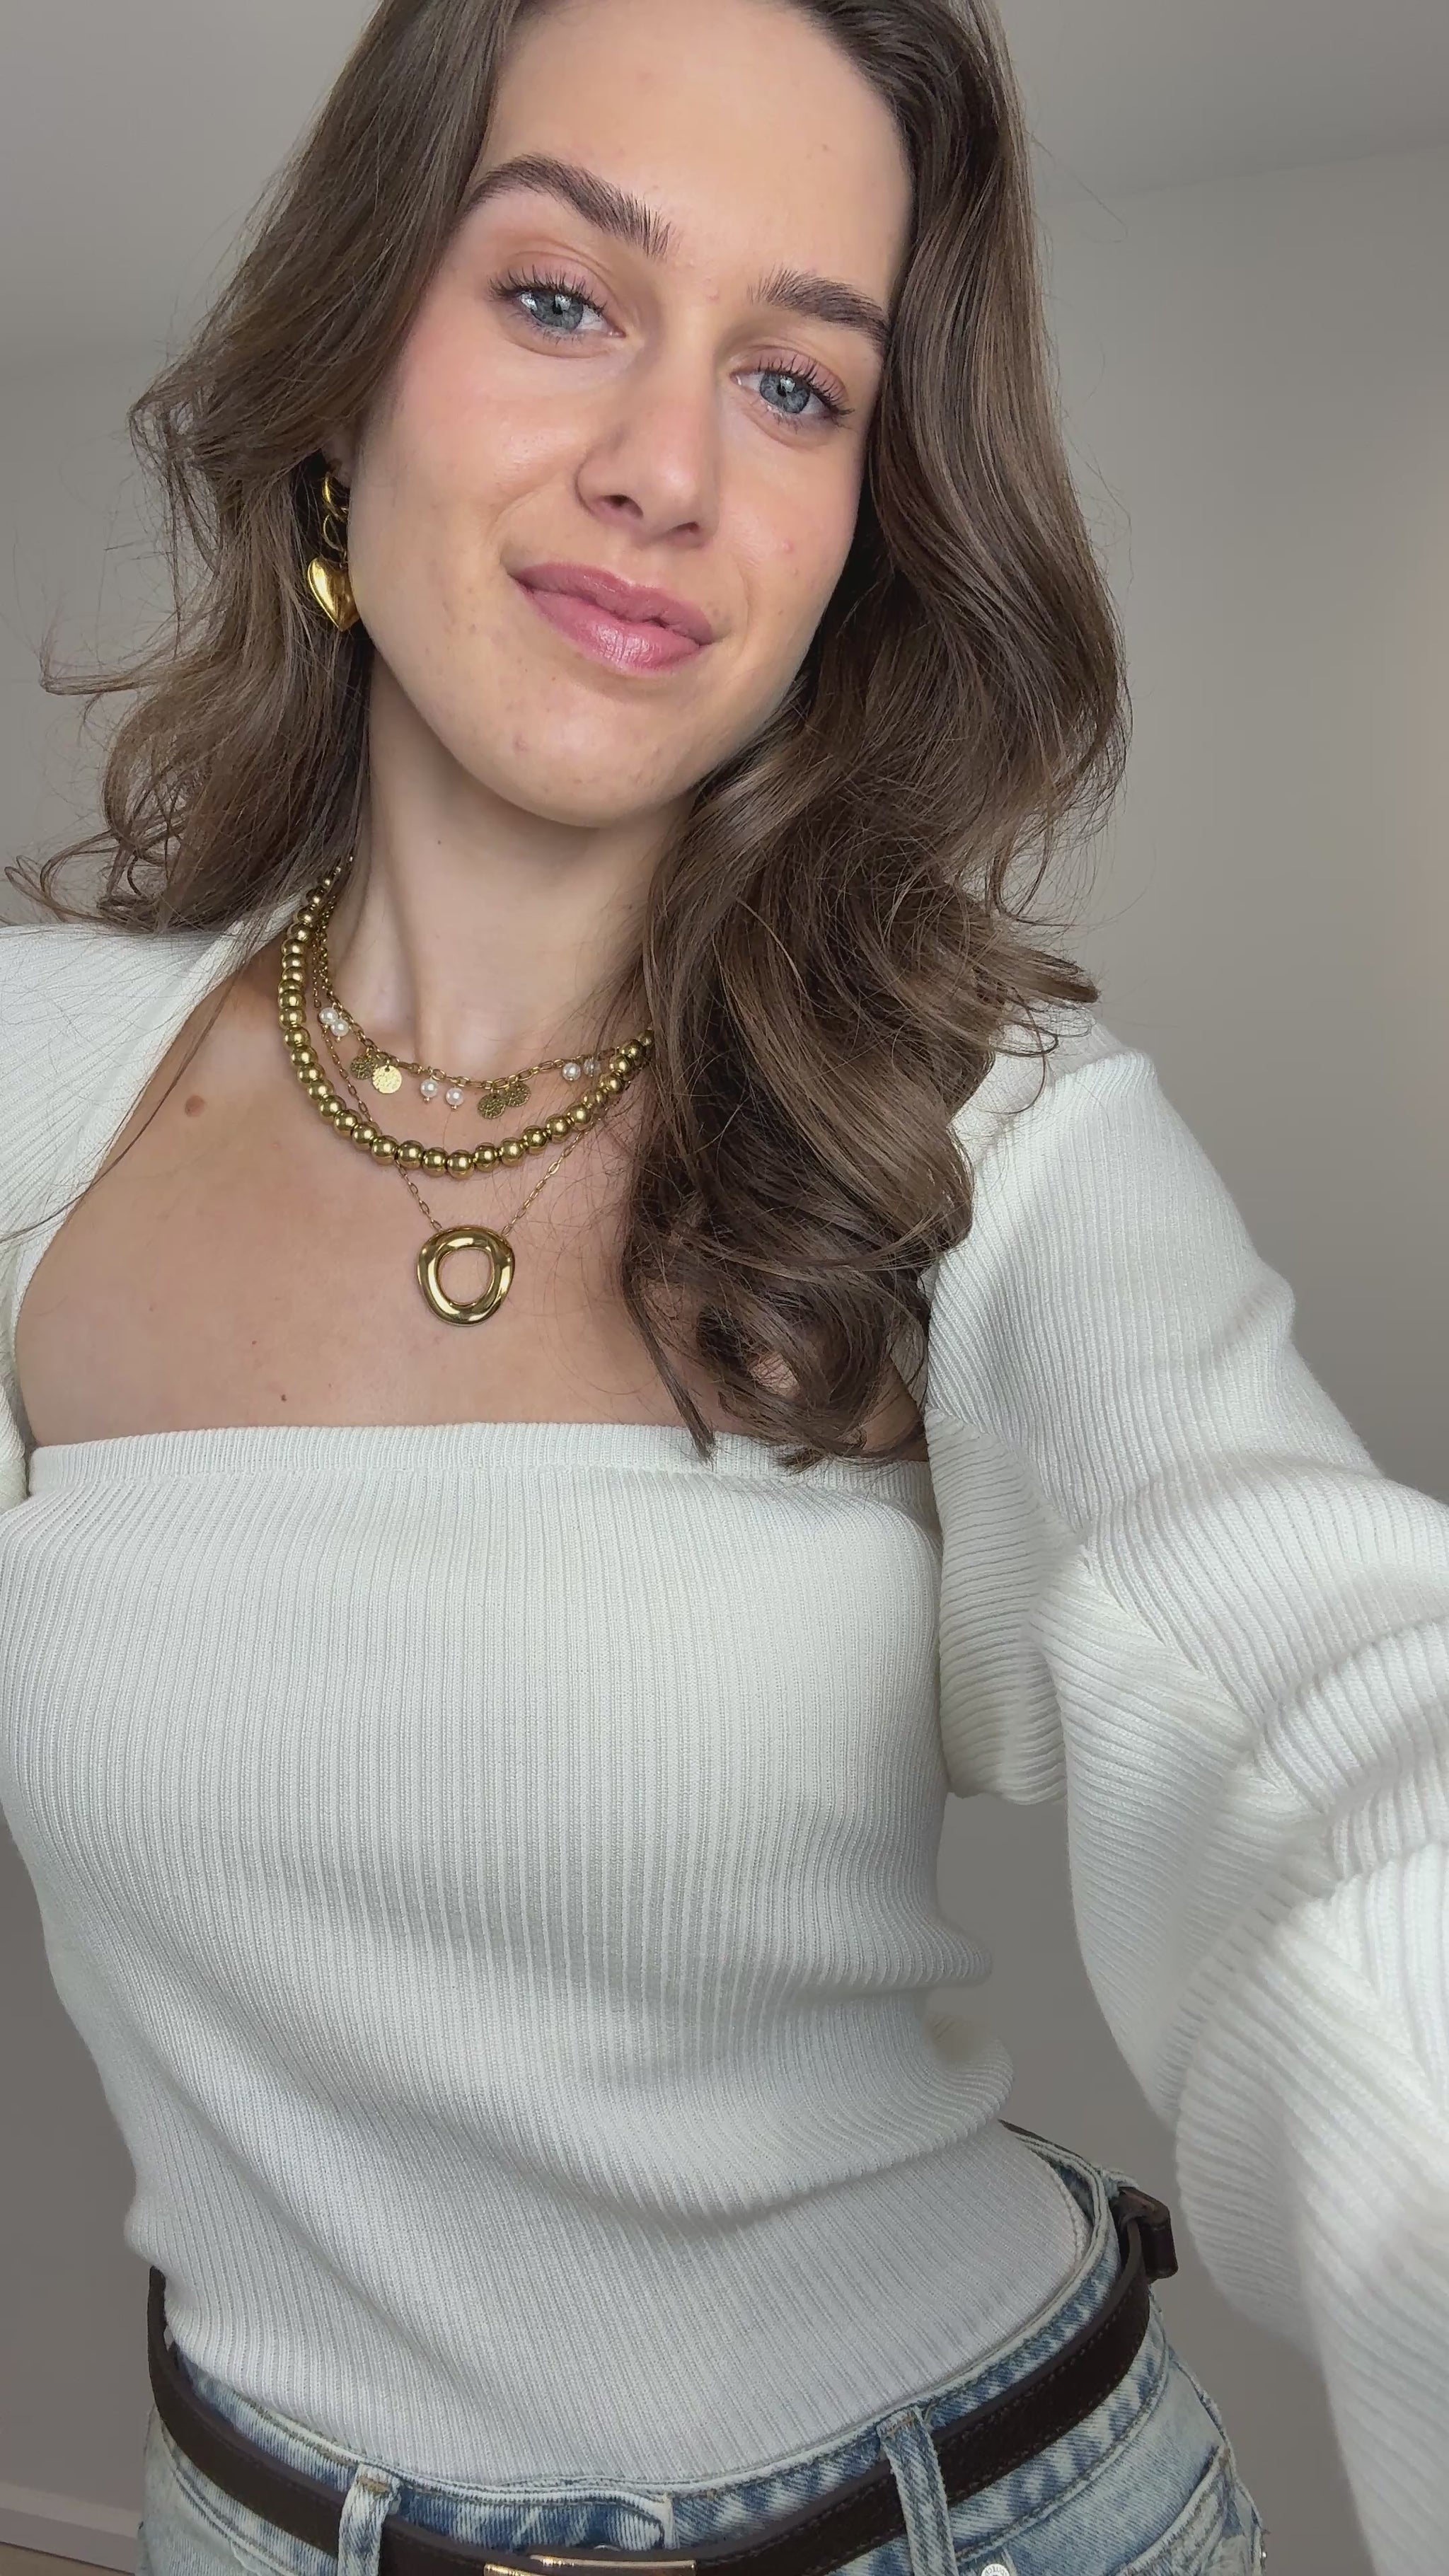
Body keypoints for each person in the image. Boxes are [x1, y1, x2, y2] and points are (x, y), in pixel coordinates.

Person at [0, 1, 1443, 2572]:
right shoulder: (33, 1090)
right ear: (351, 360)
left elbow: (1332, 1748)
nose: (668, 468)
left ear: (864, 524)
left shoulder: (992, 1137)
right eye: (562, 296)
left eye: (796, 382)